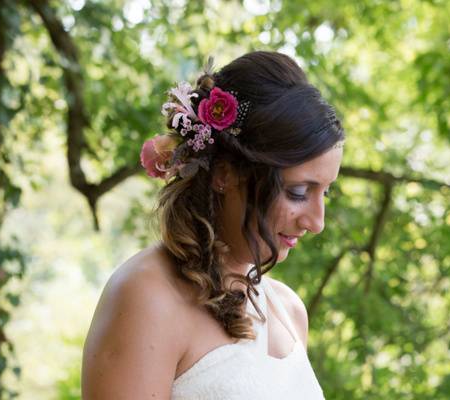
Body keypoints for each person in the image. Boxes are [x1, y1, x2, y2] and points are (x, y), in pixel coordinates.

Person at [81, 51, 345, 399]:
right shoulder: (147, 298)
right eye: (298, 192)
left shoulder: (289, 312)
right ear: (225, 174)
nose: (317, 222)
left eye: (325, 193)